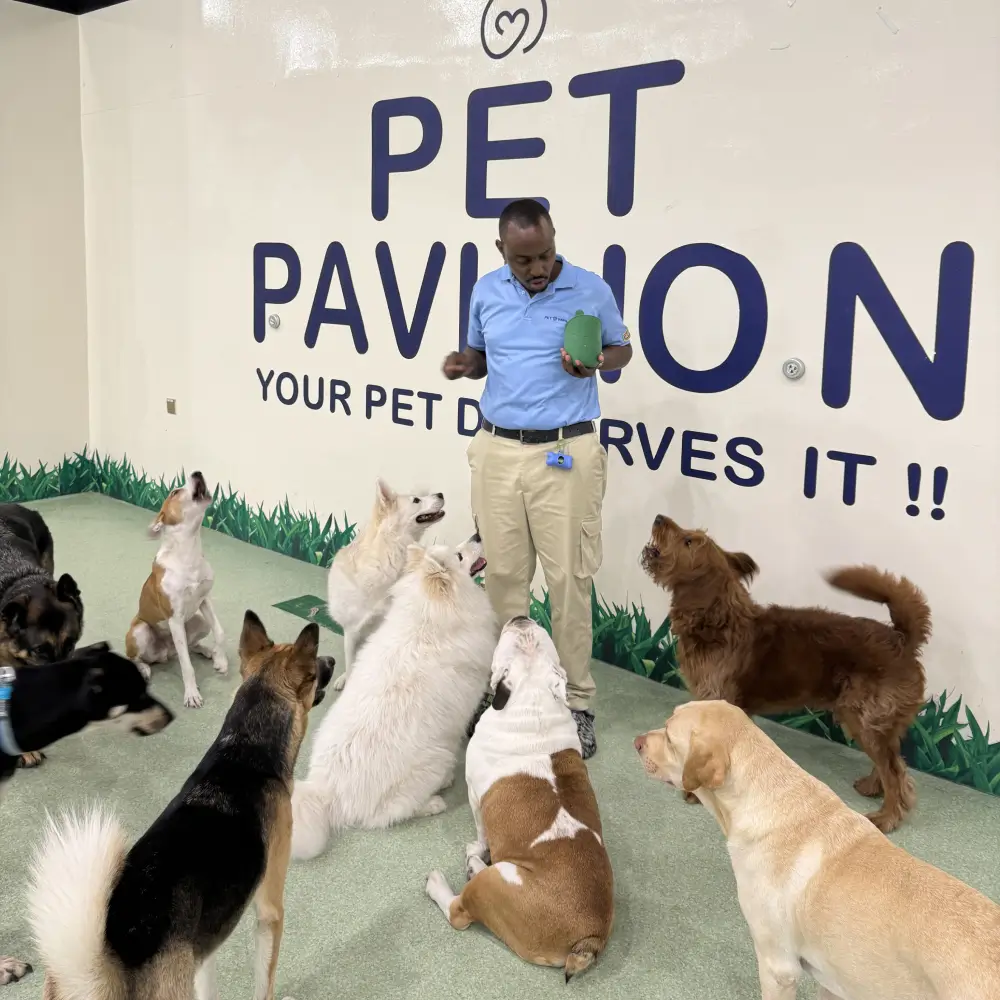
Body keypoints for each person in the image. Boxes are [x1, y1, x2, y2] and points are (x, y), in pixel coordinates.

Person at [442, 198, 633, 759]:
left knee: (569, 579)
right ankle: (506, 690)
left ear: (553, 240)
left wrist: (597, 361)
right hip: (497, 448)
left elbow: (622, 349)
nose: (539, 268)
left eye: (546, 254)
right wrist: (465, 365)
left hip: (565, 449)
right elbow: (481, 356)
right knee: (503, 578)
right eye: (523, 260)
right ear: (501, 250)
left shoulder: (590, 289)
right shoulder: (485, 291)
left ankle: (576, 703)